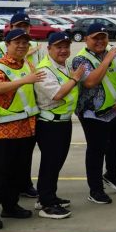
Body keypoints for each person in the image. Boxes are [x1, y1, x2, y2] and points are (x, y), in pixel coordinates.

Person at [0, 29, 44, 230]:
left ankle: (10, 206)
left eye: (25, 43)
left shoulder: (27, 64)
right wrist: (24, 80)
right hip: (2, 130)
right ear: (7, 44)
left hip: (25, 128)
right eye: (17, 42)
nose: (22, 46)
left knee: (16, 173)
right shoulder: (0, 67)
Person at [71, 23, 116, 205]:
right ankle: (95, 189)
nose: (100, 41)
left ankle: (113, 175)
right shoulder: (80, 59)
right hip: (93, 114)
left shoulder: (115, 53)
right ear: (87, 39)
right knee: (97, 151)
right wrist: (107, 60)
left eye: (103, 37)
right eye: (95, 38)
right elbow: (90, 82)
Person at [32, 32, 84, 219]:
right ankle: (47, 204)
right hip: (49, 124)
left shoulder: (64, 66)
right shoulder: (45, 70)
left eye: (66, 47)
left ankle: (48, 195)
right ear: (49, 49)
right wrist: (75, 79)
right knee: (50, 163)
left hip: (63, 121)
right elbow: (57, 94)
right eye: (59, 47)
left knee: (56, 162)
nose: (63, 50)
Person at [0, 11, 42, 199]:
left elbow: (40, 68)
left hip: (30, 106)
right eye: (18, 26)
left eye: (26, 26)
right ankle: (5, 194)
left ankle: (24, 184)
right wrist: (27, 53)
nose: (22, 29)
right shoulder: (0, 47)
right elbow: (4, 65)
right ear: (10, 28)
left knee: (25, 153)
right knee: (6, 160)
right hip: (8, 112)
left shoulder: (36, 45)